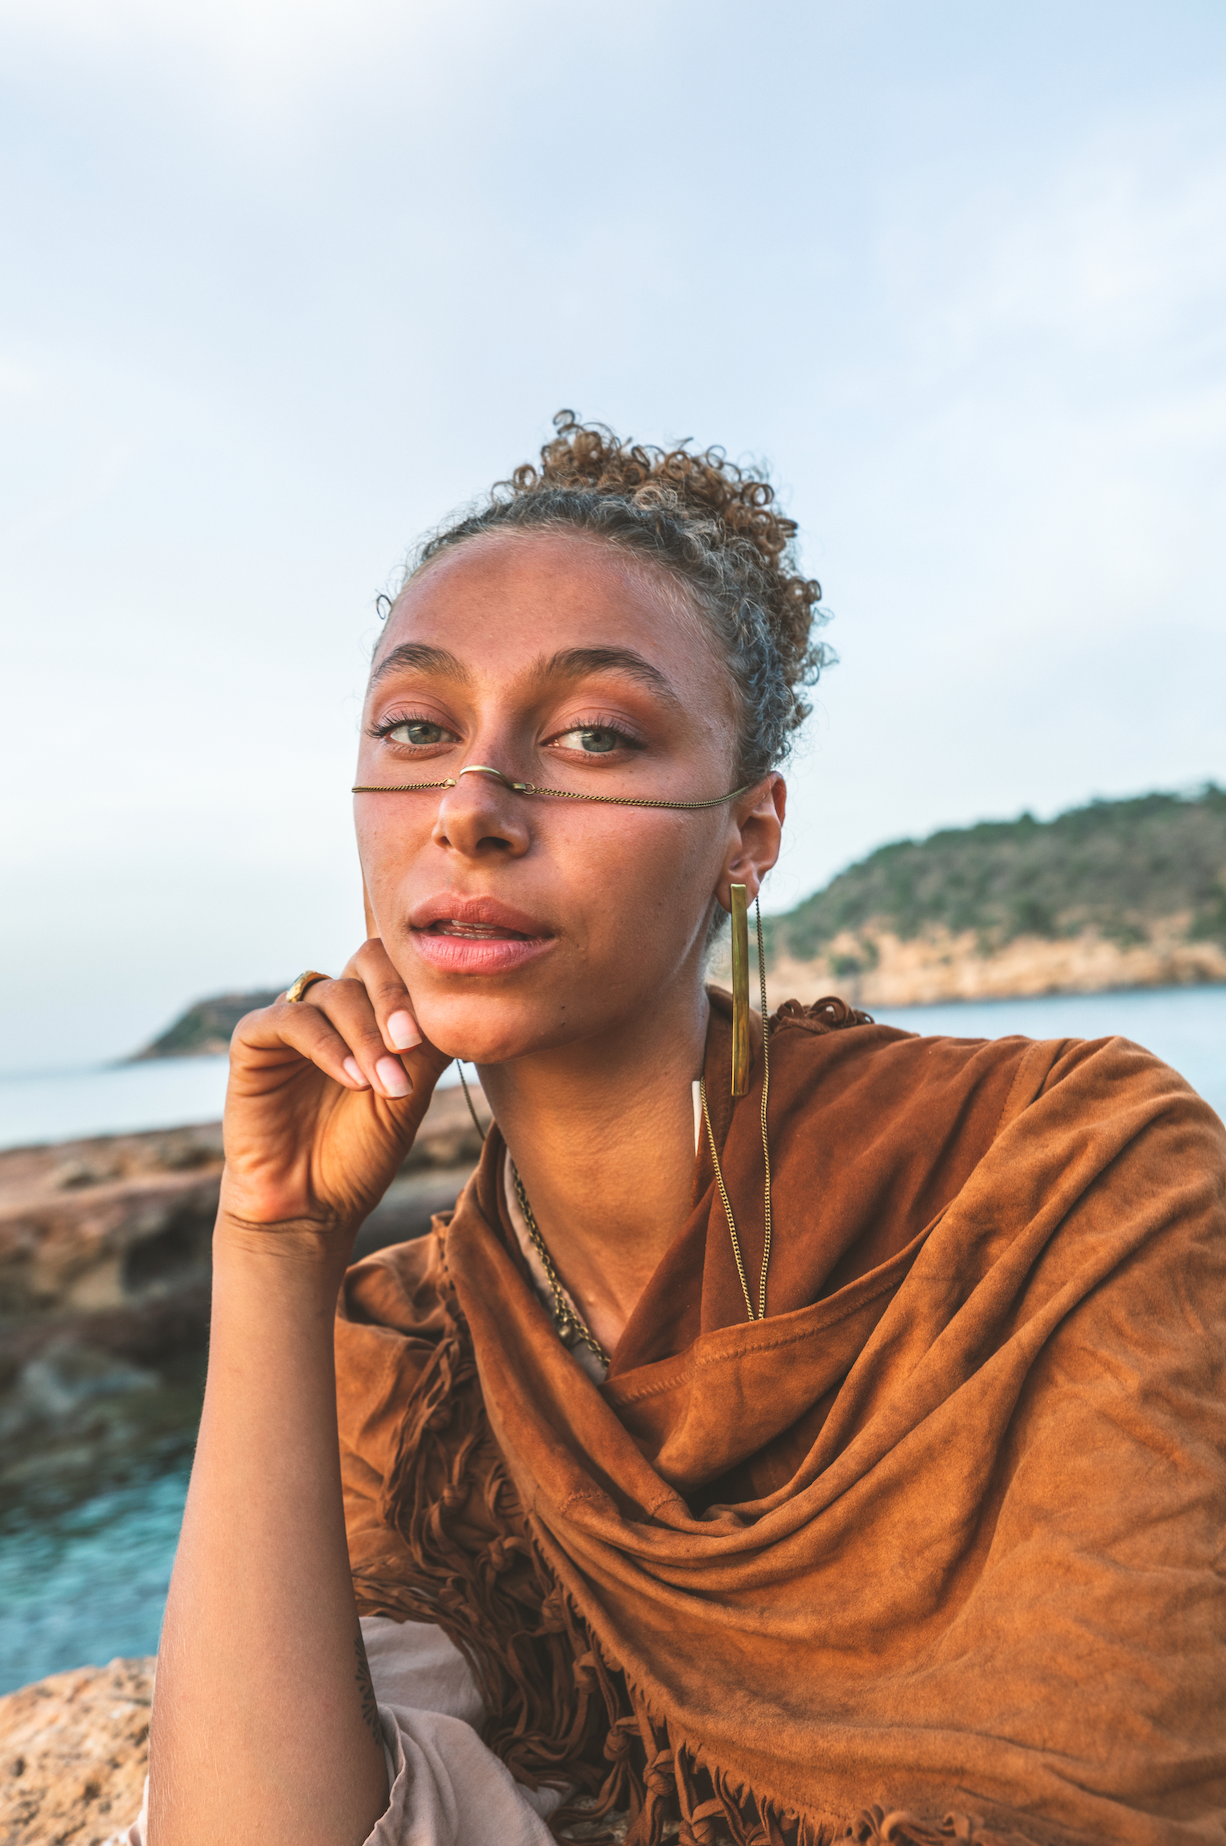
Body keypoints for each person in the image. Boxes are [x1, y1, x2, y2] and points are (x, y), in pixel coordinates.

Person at [141, 414, 1226, 1846]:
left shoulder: (1067, 1176)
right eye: (418, 729)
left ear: (749, 833)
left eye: (593, 734)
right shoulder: (404, 1361)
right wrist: (272, 1247)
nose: (469, 807)